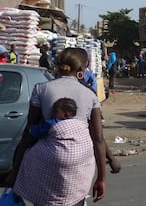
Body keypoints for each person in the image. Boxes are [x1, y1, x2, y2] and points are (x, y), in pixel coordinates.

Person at [6, 47, 114, 205]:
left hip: (49, 161)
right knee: (75, 199)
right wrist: (102, 179)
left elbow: (28, 133)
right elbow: (98, 139)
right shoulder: (90, 95)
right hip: (79, 162)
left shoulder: (41, 89)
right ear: (81, 70)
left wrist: (15, 172)